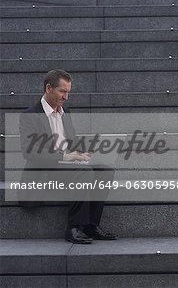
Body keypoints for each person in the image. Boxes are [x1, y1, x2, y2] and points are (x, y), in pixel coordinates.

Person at [19, 69, 118, 244]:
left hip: (67, 168)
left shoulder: (65, 113)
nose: (66, 97)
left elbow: (71, 143)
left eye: (68, 92)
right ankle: (74, 228)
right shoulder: (29, 115)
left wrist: (85, 152)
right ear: (48, 88)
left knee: (105, 171)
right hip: (45, 171)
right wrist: (66, 156)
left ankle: (90, 226)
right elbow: (30, 152)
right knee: (85, 173)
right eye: (62, 91)